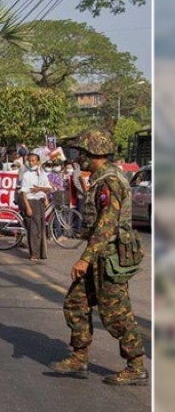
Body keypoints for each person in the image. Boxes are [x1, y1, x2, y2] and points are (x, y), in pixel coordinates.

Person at [49, 129, 148, 385]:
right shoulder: (100, 178)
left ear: (92, 153)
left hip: (110, 258)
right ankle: (79, 357)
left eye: (81, 153)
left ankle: (136, 365)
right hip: (99, 255)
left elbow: (107, 224)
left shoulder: (109, 182)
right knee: (75, 302)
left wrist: (85, 259)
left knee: (116, 313)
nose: (78, 158)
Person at [20, 153, 51, 261]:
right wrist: (28, 207)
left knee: (40, 229)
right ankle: (34, 253)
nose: (31, 163)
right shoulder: (26, 175)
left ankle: (41, 253)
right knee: (33, 230)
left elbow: (48, 188)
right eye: (30, 161)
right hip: (31, 202)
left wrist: (40, 190)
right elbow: (24, 193)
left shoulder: (43, 174)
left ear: (38, 162)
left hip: (40, 202)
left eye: (33, 161)